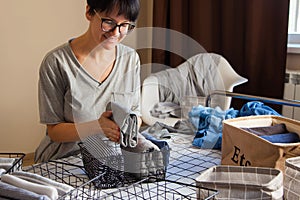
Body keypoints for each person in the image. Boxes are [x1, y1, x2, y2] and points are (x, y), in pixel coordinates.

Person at [34, 0, 141, 163]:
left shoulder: (130, 59)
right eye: (109, 22)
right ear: (89, 12)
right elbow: (54, 131)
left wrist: (129, 127)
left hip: (111, 159)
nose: (115, 33)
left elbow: (136, 114)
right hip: (64, 160)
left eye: (124, 25)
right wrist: (97, 127)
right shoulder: (57, 63)